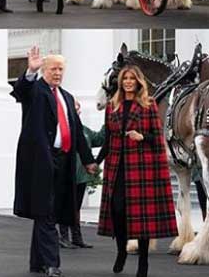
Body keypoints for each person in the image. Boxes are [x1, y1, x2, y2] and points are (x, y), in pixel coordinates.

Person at [11, 48, 97, 277]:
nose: (57, 73)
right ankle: (51, 264)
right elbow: (21, 91)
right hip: (41, 160)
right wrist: (30, 70)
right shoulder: (35, 90)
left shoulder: (67, 97)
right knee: (47, 211)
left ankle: (36, 262)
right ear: (44, 70)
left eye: (61, 69)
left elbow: (77, 132)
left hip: (65, 160)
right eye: (53, 69)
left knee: (48, 211)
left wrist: (88, 161)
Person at [96, 66, 177, 277]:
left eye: (132, 78)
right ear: (121, 82)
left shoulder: (148, 105)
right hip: (116, 167)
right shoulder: (112, 106)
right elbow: (107, 139)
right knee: (117, 212)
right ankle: (121, 250)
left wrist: (142, 137)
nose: (129, 82)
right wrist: (95, 162)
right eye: (125, 78)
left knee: (141, 217)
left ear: (139, 82)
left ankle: (143, 262)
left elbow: (157, 137)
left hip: (140, 168)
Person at [58, 101, 105, 250]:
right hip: (66, 174)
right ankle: (63, 237)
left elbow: (98, 139)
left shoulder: (84, 130)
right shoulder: (62, 129)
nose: (77, 110)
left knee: (76, 207)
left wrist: (108, 123)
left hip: (81, 175)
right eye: (74, 107)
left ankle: (77, 237)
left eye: (78, 107)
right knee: (65, 205)